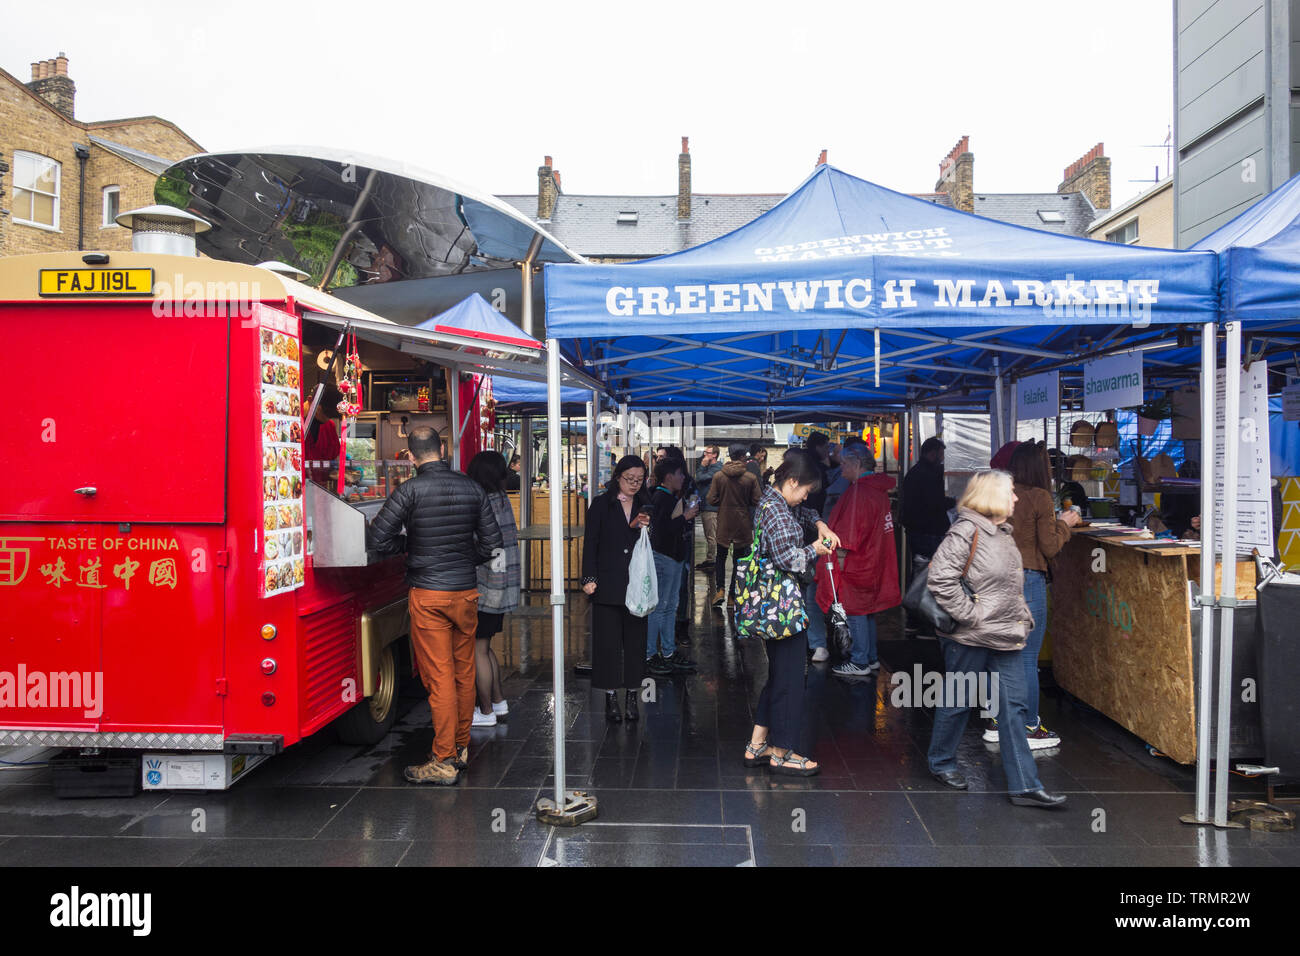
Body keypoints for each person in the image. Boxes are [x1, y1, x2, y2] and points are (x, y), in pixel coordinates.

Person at [368, 426, 502, 786]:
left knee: (439, 678)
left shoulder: (408, 490)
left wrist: (414, 551)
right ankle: (458, 748)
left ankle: (443, 758)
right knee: (463, 672)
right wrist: (462, 558)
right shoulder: (472, 488)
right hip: (466, 594)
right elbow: (492, 545)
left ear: (411, 456)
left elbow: (378, 538)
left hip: (428, 595)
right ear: (442, 448)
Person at [925, 470, 1066, 808]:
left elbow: (1008, 585)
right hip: (970, 636)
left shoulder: (1003, 533)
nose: (1016, 498)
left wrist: (1024, 617)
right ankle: (941, 762)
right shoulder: (965, 531)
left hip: (1006, 634)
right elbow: (940, 579)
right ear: (992, 496)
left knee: (1013, 709)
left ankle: (1025, 786)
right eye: (1010, 493)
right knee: (958, 703)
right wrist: (971, 616)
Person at [743, 450, 840, 776]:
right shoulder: (779, 513)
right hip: (782, 609)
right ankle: (782, 751)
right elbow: (791, 560)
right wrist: (815, 548)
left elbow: (804, 514)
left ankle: (757, 744)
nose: (806, 497)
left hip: (772, 608)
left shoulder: (774, 504)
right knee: (790, 681)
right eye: (805, 490)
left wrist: (819, 522)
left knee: (779, 675)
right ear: (792, 482)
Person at [996, 441, 1080, 748]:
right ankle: (1029, 726)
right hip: (1028, 580)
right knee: (1027, 658)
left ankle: (999, 721)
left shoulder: (1003, 492)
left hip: (999, 580)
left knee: (1004, 655)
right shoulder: (1040, 497)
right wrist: (1065, 523)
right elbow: (1049, 546)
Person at [582, 455, 653, 722]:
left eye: (639, 479)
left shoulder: (646, 504)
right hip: (607, 582)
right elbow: (591, 543)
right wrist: (589, 577)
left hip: (637, 584)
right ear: (617, 477)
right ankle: (611, 698)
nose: (634, 484)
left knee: (635, 643)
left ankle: (633, 697)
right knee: (607, 644)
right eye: (629, 479)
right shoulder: (601, 504)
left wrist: (644, 528)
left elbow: (652, 543)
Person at [817, 445, 899, 677]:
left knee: (856, 611)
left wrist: (826, 551)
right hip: (875, 558)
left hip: (858, 562)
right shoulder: (877, 490)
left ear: (856, 464)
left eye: (844, 463)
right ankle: (870, 657)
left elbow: (846, 535)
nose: (840, 468)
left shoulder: (858, 493)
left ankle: (860, 659)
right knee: (868, 611)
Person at [467, 451, 521, 727]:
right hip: (501, 586)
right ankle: (499, 703)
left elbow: (477, 545)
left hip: (486, 586)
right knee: (485, 648)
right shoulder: (501, 499)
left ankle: (485, 711)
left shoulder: (481, 503)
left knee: (478, 650)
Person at [645, 457, 699, 676]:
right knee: (659, 607)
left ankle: (668, 651)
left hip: (674, 558)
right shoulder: (660, 497)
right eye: (680, 473)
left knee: (670, 606)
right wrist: (685, 516)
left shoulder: (668, 496)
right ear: (668, 477)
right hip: (665, 557)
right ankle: (650, 654)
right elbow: (661, 529)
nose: (683, 477)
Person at [708, 443, 762, 606]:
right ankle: (732, 594)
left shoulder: (719, 476)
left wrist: (723, 501)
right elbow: (757, 500)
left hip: (724, 520)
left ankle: (720, 590)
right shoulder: (750, 478)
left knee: (721, 556)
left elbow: (711, 499)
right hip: (743, 522)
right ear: (742, 457)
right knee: (739, 560)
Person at [902, 437, 955, 560]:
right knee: (929, 567)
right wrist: (954, 502)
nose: (943, 458)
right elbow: (935, 502)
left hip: (917, 529)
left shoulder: (915, 471)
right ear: (932, 453)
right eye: (941, 454)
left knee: (922, 567)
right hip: (928, 531)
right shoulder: (928, 474)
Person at [694, 445, 723, 571]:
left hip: (711, 507)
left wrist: (702, 466)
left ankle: (712, 560)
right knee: (709, 534)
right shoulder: (710, 468)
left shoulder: (716, 469)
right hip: (707, 505)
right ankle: (711, 558)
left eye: (707, 452)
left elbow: (699, 478)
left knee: (711, 535)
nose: (705, 454)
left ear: (714, 455)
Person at [303, 394, 340, 483]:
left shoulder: (330, 426)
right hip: (298, 489)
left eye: (330, 415)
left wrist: (339, 475)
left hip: (322, 490)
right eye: (325, 412)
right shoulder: (293, 423)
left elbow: (333, 462)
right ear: (310, 400)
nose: (327, 418)